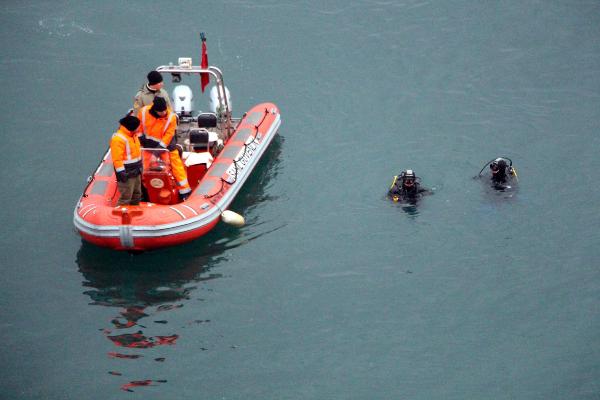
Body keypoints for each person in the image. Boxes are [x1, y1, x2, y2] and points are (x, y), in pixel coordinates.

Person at [138, 97, 191, 201]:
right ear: (154, 109)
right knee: (145, 168)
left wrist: (156, 153)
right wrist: (141, 139)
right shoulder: (143, 112)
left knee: (176, 166)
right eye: (161, 111)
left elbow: (168, 135)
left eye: (164, 110)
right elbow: (139, 128)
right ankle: (147, 191)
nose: (163, 113)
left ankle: (184, 191)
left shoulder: (171, 117)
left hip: (166, 146)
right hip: (147, 145)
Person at [110, 115, 143, 206]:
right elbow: (117, 159)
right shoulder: (118, 139)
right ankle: (120, 217)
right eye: (137, 127)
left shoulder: (133, 135)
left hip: (136, 170)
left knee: (137, 194)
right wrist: (122, 174)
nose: (139, 129)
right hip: (127, 173)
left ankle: (134, 213)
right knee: (126, 196)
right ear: (132, 128)